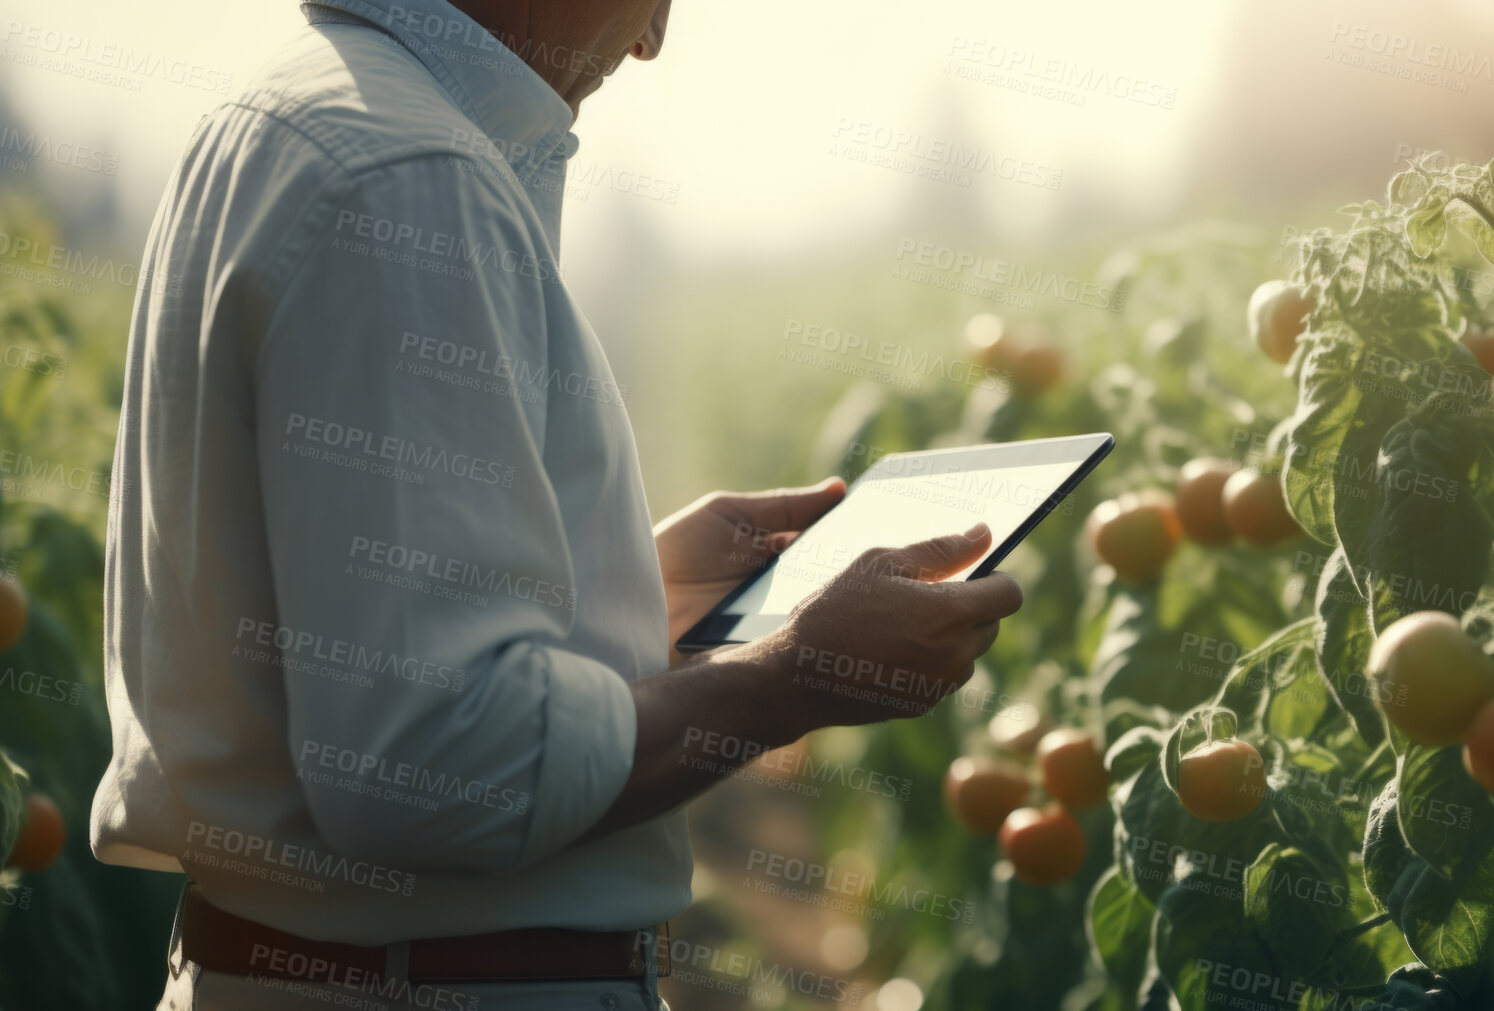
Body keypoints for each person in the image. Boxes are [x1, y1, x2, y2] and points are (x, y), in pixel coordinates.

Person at [92, 1, 1024, 1008]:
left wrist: (635, 588)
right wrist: (791, 678)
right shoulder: (409, 176)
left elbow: (330, 622)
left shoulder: (291, 114)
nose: (653, 37)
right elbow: (432, 764)